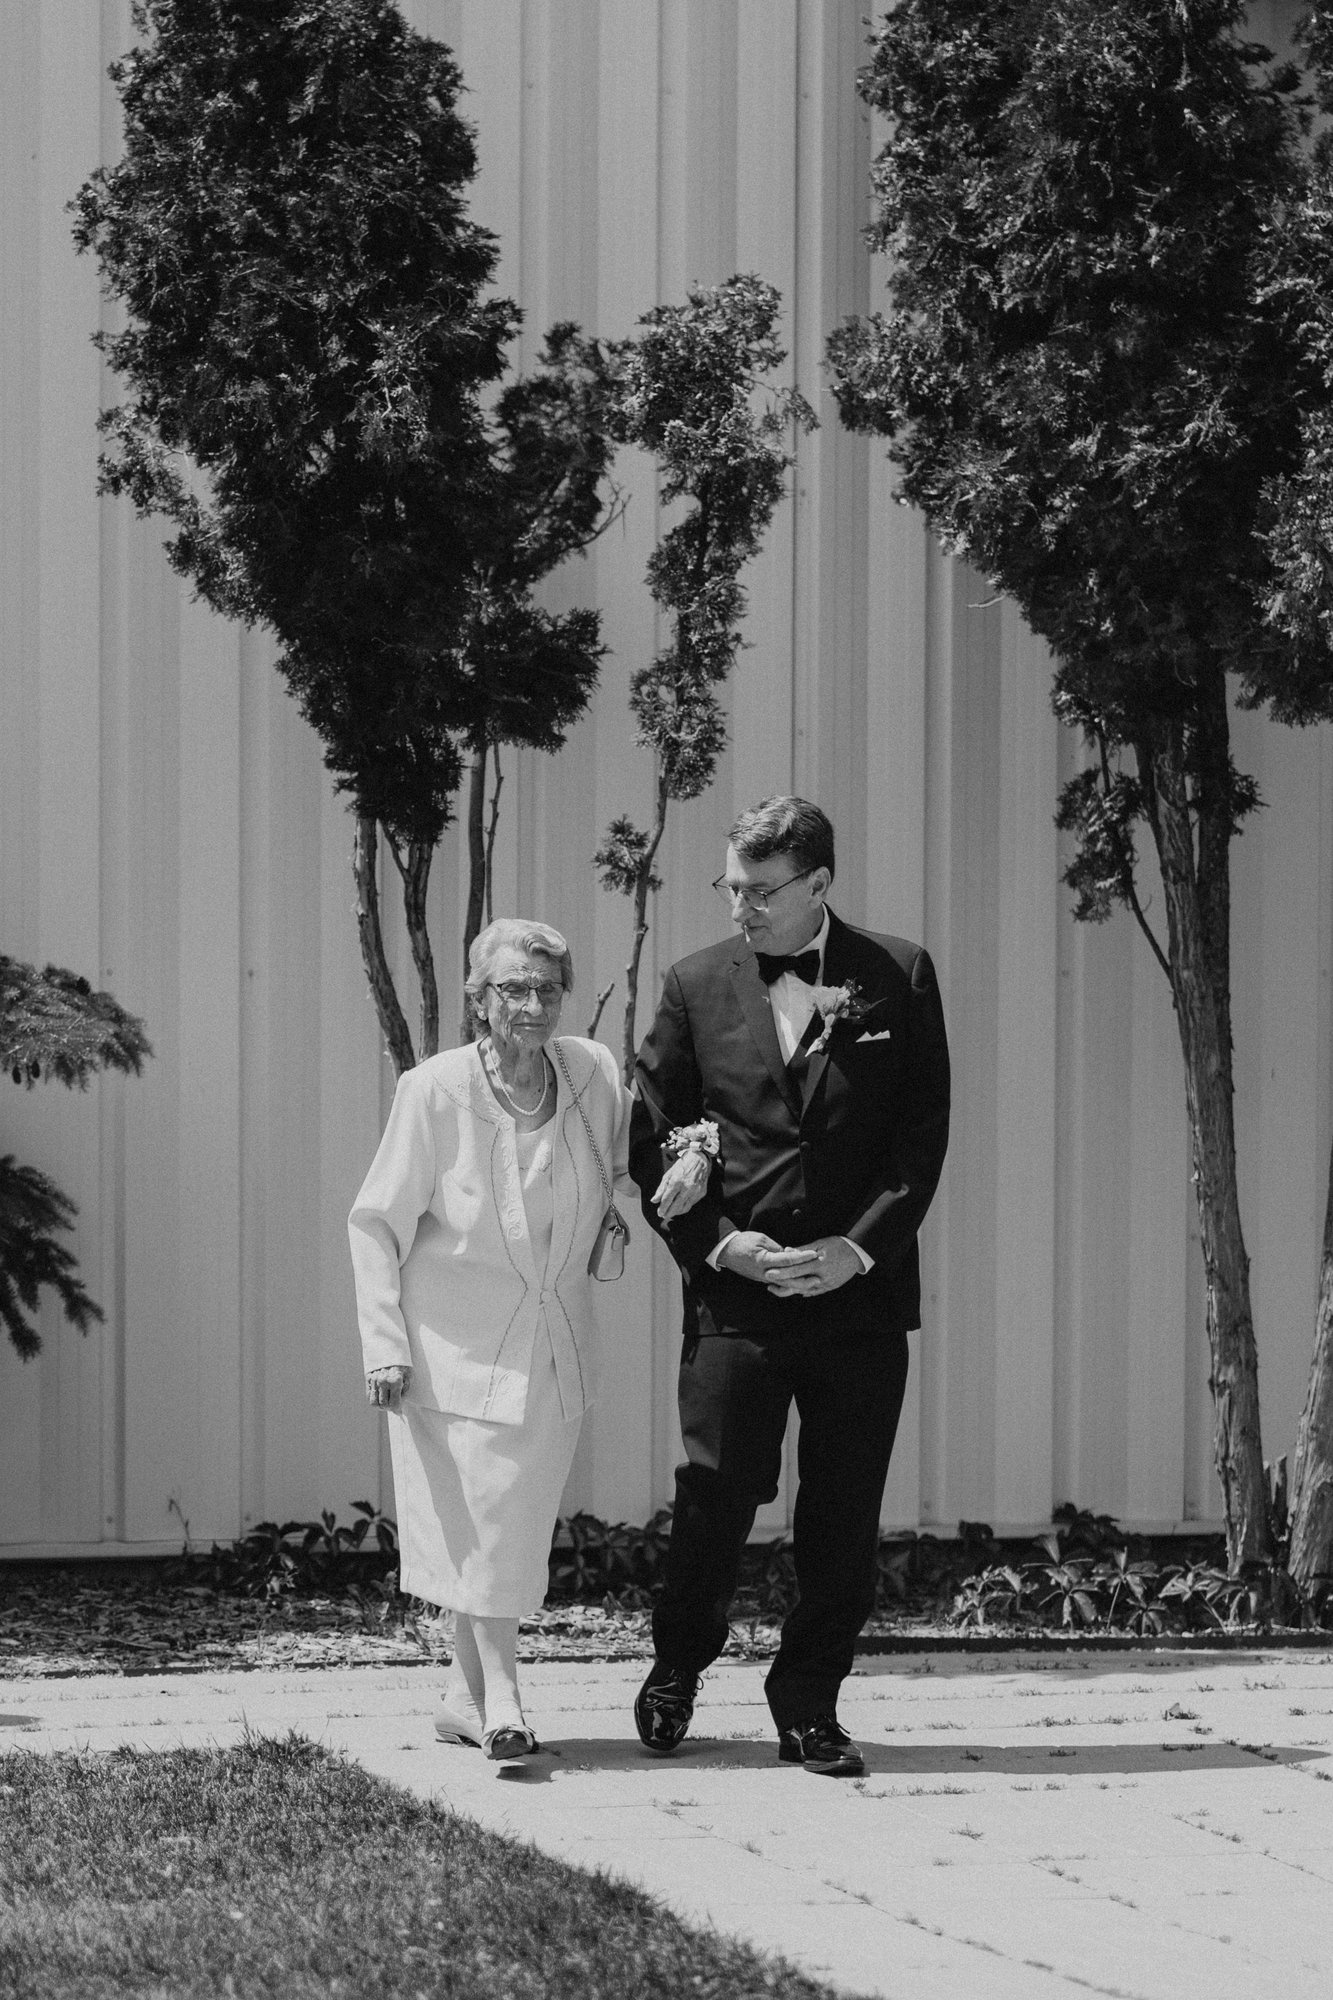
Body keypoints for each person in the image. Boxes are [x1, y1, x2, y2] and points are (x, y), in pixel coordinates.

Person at [629, 796, 950, 1776]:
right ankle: (676, 1665)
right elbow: (653, 1139)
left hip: (858, 1299)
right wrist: (722, 1246)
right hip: (737, 1298)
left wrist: (857, 1248)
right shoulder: (691, 985)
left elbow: (919, 1137)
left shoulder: (897, 974)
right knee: (713, 1498)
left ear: (819, 884)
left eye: (760, 891)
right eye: (731, 885)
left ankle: (808, 1703)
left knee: (841, 1517)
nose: (741, 909)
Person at [349, 918, 631, 1766]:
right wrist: (382, 1343)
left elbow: (619, 1167)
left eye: (548, 988)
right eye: (514, 989)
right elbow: (374, 1223)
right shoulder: (434, 1090)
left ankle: (461, 1699)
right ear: (478, 999)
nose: (534, 1005)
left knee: (499, 1526)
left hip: (552, 1343)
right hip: (450, 1349)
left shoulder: (591, 1075)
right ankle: (504, 1698)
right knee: (485, 1522)